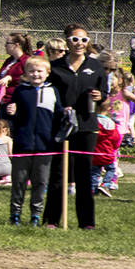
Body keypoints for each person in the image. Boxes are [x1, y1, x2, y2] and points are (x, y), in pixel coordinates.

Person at [45, 24, 106, 230]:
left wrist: (100, 96)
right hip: (62, 125)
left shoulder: (95, 66)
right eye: (75, 40)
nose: (79, 44)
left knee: (83, 173)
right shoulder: (55, 67)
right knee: (59, 173)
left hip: (87, 125)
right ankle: (51, 219)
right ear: (67, 42)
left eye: (84, 40)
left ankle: (87, 222)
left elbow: (104, 92)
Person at [0, 56, 56, 227]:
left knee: (40, 182)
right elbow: (12, 115)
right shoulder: (21, 91)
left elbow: (59, 114)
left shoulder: (52, 91)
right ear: (25, 73)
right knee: (19, 181)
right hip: (23, 144)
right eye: (31, 71)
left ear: (47, 73)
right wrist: (11, 111)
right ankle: (15, 214)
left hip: (44, 146)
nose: (36, 74)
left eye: (39, 71)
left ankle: (35, 214)